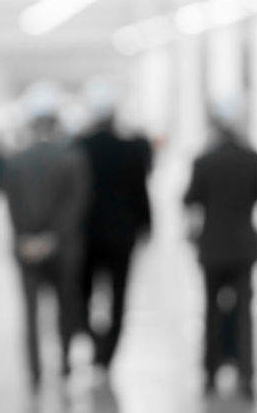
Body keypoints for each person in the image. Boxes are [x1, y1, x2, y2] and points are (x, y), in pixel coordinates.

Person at [0, 82, 91, 389]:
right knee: (66, 306)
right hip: (63, 247)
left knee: (30, 312)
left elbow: (11, 206)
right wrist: (53, 237)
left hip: (26, 247)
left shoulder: (15, 161)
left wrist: (28, 238)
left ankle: (35, 372)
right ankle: (65, 364)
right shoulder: (72, 158)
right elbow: (77, 204)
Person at [183, 98, 257, 399]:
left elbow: (190, 204)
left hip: (212, 247)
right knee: (245, 313)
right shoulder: (253, 159)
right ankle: (247, 375)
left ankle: (210, 373)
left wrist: (193, 239)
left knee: (211, 311)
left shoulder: (204, 161)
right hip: (244, 247)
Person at [76, 80, 152, 374]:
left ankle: (96, 344)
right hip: (122, 234)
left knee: (85, 292)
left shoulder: (80, 146)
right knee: (119, 294)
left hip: (88, 233)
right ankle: (109, 352)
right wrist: (147, 226)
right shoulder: (131, 148)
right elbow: (140, 191)